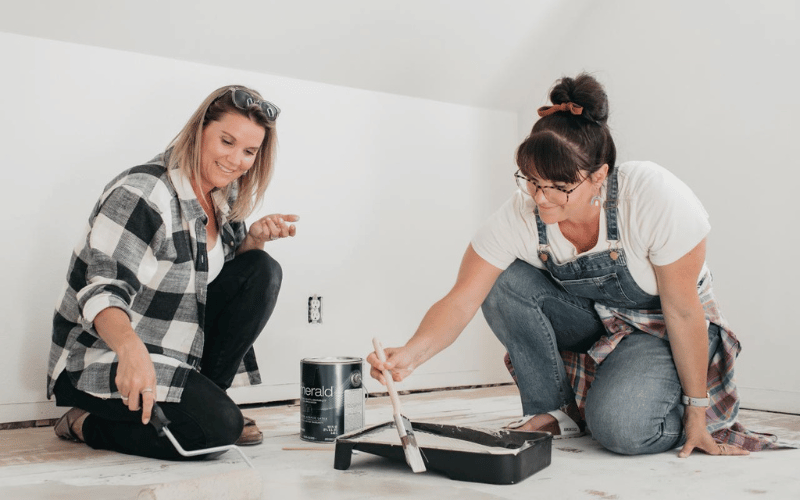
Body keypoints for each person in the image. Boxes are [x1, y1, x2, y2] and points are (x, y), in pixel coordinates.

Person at [367, 73, 780, 457]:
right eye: (532, 181)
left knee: (621, 430)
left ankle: (655, 410)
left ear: (598, 176)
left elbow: (683, 310)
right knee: (503, 281)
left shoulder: (653, 198)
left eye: (559, 187)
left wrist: (697, 414)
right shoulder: (522, 212)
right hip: (597, 320)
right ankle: (554, 412)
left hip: (662, 330)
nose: (541, 199)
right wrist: (411, 355)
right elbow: (460, 301)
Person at [47, 85, 299, 460]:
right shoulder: (142, 193)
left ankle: (210, 398)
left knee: (261, 269)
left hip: (174, 354)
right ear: (199, 131)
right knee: (217, 433)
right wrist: (132, 351)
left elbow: (210, 287)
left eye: (249, 151)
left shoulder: (221, 196)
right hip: (105, 354)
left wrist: (252, 241)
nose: (236, 160)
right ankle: (84, 421)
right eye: (226, 141)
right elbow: (103, 290)